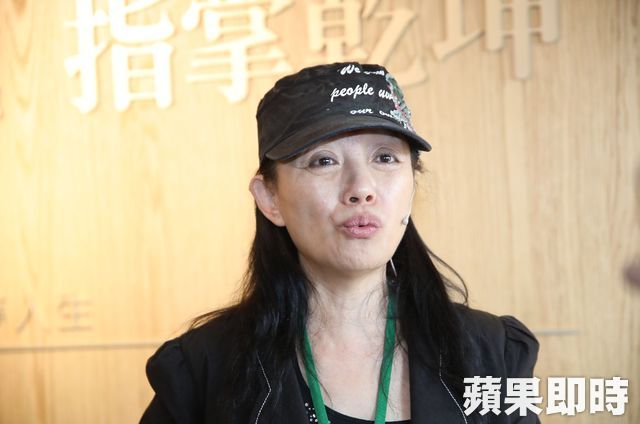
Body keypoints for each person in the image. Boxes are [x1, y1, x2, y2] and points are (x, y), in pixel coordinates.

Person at [140, 62, 540, 424]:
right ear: (270, 199)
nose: (362, 188)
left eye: (385, 158)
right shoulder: (202, 371)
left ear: (412, 186)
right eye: (324, 161)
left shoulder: (493, 355)